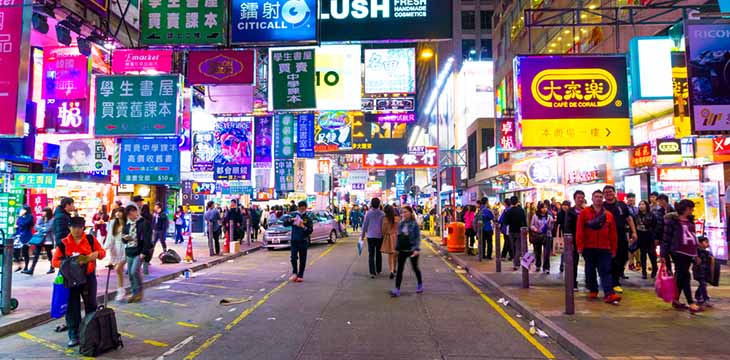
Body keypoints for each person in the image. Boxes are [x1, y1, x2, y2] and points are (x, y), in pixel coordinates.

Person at [51, 216, 106, 347]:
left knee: (91, 305)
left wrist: (96, 254)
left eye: (79, 227)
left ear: (83, 228)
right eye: (74, 227)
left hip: (88, 278)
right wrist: (71, 262)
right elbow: (55, 262)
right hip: (71, 280)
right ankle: (74, 335)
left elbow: (102, 252)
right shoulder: (63, 243)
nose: (76, 230)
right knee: (72, 308)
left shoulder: (90, 239)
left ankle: (92, 333)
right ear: (69, 228)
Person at [576, 190, 621, 304]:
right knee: (590, 270)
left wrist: (614, 248)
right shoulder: (584, 213)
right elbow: (580, 230)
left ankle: (609, 293)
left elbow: (613, 234)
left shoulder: (608, 215)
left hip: (604, 247)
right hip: (589, 247)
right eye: (596, 197)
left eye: (601, 197)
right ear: (592, 198)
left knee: (605, 271)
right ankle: (593, 290)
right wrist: (580, 245)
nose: (599, 199)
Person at [663, 199, 701, 313]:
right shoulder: (673, 221)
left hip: (689, 252)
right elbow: (666, 238)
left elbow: (694, 237)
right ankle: (691, 302)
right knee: (685, 276)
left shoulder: (690, 221)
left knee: (680, 276)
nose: (692, 210)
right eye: (690, 208)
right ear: (685, 209)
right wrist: (663, 254)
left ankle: (675, 299)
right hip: (678, 252)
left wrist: (696, 254)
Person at [603, 185, 637, 294]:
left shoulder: (621, 205)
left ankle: (615, 279)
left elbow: (629, 218)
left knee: (622, 258)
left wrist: (634, 232)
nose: (609, 194)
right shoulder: (601, 206)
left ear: (614, 193)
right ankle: (614, 282)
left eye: (610, 191)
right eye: (606, 192)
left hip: (621, 236)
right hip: (607, 238)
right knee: (611, 260)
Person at [390, 205, 423, 297]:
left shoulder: (414, 224)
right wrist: (396, 249)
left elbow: (417, 238)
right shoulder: (401, 223)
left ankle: (420, 284)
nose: (404, 214)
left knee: (415, 268)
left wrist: (416, 249)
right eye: (402, 212)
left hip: (412, 249)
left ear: (410, 213)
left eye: (406, 212)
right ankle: (397, 289)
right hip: (402, 249)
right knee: (400, 270)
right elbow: (399, 237)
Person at [122, 203, 152, 303]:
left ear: (136, 212)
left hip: (139, 251)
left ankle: (138, 292)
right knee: (130, 275)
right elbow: (124, 239)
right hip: (129, 251)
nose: (131, 216)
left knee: (134, 271)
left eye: (132, 213)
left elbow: (147, 238)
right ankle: (134, 293)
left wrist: (144, 252)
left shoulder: (143, 222)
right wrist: (125, 239)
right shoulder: (127, 224)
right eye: (129, 215)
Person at [284, 201, 313, 282]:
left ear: (306, 208)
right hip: (294, 241)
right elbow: (285, 223)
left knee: (302, 259)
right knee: (293, 258)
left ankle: (300, 275)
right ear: (298, 208)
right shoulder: (294, 216)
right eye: (300, 207)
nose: (301, 209)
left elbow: (310, 230)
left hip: (303, 241)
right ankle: (294, 272)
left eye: (303, 207)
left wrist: (303, 226)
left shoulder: (308, 218)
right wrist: (291, 220)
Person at [105, 207, 128, 301]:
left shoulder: (128, 223)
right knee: (119, 271)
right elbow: (110, 238)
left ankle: (122, 291)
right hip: (116, 249)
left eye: (120, 212)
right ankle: (121, 291)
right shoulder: (112, 223)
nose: (118, 213)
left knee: (118, 268)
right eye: (116, 212)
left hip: (126, 249)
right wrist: (104, 249)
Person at [24, 207, 55, 275]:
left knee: (49, 254)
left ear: (48, 212)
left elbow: (47, 229)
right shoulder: (40, 219)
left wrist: (41, 228)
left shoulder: (52, 220)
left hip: (48, 240)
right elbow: (35, 227)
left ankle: (52, 267)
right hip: (40, 239)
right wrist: (42, 228)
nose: (42, 213)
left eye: (44, 211)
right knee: (36, 254)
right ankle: (31, 269)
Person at [361, 198, 385, 278]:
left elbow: (365, 225)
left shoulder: (368, 213)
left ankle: (372, 272)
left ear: (371, 204)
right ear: (379, 204)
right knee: (378, 253)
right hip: (379, 236)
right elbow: (384, 226)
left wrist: (362, 235)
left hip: (370, 236)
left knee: (371, 254)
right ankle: (378, 269)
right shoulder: (382, 214)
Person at [502, 196, 527, 270]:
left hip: (511, 231)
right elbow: (524, 221)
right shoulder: (521, 210)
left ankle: (516, 263)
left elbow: (506, 222)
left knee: (513, 247)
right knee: (518, 247)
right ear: (517, 201)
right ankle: (517, 263)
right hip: (519, 231)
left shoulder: (508, 211)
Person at [635, 200, 658, 279]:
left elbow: (655, 227)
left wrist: (655, 237)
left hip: (650, 237)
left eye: (643, 204)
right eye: (640, 204)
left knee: (652, 254)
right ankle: (644, 272)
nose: (641, 206)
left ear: (646, 206)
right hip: (641, 237)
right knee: (643, 255)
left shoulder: (652, 215)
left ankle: (654, 269)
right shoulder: (637, 216)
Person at [654, 194, 675, 274]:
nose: (658, 204)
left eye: (659, 201)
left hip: (672, 237)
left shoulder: (673, 210)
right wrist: (657, 238)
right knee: (665, 256)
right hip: (663, 237)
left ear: (663, 201)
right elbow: (658, 226)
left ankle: (676, 274)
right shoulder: (660, 211)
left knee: (674, 255)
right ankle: (669, 272)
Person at [531, 202, 554, 274]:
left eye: (546, 208)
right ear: (539, 208)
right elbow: (532, 225)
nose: (544, 209)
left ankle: (546, 267)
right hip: (538, 236)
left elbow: (551, 228)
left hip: (547, 236)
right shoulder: (535, 216)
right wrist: (535, 229)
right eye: (543, 208)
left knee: (547, 253)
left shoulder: (549, 217)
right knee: (538, 252)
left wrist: (551, 223)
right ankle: (538, 265)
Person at [381, 205, 400, 279]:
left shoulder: (385, 219)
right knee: (395, 254)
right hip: (397, 237)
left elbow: (383, 229)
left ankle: (391, 270)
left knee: (390, 255)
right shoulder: (398, 219)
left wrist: (384, 234)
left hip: (389, 237)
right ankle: (395, 268)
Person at [15, 205, 35, 273]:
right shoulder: (20, 217)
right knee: (15, 251)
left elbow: (24, 224)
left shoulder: (30, 217)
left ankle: (26, 267)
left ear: (26, 210)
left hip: (27, 236)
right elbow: (17, 225)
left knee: (25, 252)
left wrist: (20, 218)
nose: (21, 210)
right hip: (19, 235)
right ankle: (19, 265)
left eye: (23, 209)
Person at [693, 236, 712, 307]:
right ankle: (705, 299)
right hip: (699, 271)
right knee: (703, 284)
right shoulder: (697, 251)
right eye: (706, 242)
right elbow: (695, 260)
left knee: (702, 284)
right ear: (699, 243)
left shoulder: (706, 252)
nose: (707, 244)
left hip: (704, 271)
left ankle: (698, 295)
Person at [140, 203, 154, 275]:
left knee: (138, 260)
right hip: (148, 239)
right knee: (146, 259)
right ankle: (145, 272)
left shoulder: (140, 217)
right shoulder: (150, 216)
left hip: (141, 240)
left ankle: (129, 272)